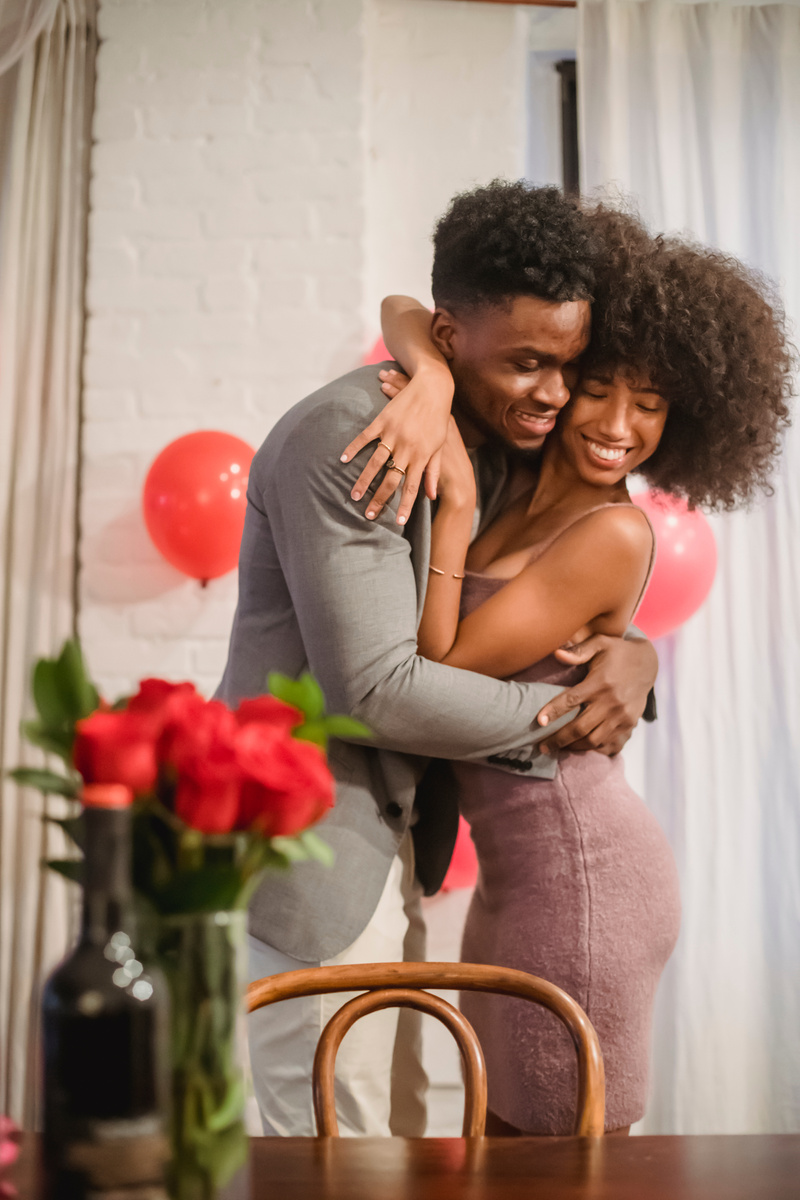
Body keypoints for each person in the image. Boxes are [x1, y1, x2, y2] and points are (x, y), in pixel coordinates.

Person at [215, 182, 659, 1137]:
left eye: (567, 366)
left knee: (402, 1132)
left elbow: (543, 590)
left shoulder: (475, 424)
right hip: (312, 842)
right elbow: (380, 691)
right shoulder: (357, 438)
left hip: (396, 846)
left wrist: (638, 653)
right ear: (457, 342)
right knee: (331, 1137)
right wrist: (566, 725)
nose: (553, 393)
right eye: (530, 364)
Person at [348, 206, 793, 1134]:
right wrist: (431, 380)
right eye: (599, 389)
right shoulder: (518, 474)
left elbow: (438, 666)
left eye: (652, 405)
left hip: (584, 877)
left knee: (563, 1148)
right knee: (502, 1138)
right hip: (520, 880)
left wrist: (457, 505)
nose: (618, 426)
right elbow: (403, 308)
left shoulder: (613, 529)